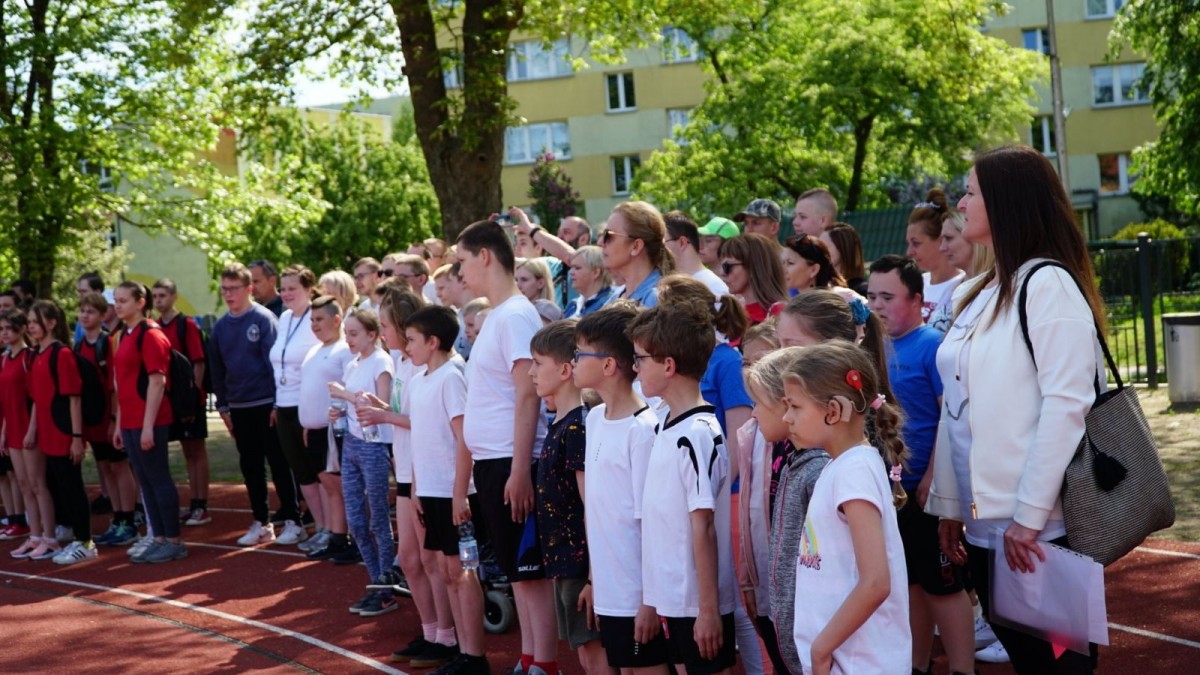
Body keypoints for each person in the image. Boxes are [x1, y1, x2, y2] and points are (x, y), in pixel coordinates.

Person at [932, 145, 1107, 674]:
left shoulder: (1046, 283)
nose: (961, 202)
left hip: (1040, 528)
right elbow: (955, 404)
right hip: (989, 526)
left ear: (1006, 204)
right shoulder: (982, 289)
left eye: (971, 192)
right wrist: (949, 503)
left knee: (1058, 665)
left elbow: (1067, 404)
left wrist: (1030, 517)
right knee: (1028, 659)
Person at [866, 255, 975, 675]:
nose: (877, 304)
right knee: (909, 585)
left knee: (944, 587)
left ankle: (964, 669)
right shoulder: (873, 347)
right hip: (890, 492)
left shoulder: (932, 346)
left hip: (923, 489)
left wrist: (934, 477)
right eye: (871, 295)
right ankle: (917, 665)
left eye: (887, 297)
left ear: (916, 300)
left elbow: (950, 420)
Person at [456, 219, 555, 675]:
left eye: (461, 262)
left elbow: (528, 393)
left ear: (484, 256)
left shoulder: (515, 314)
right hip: (493, 461)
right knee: (518, 573)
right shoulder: (498, 315)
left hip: (511, 462)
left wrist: (520, 469)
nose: (459, 274)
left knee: (530, 573)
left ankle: (544, 663)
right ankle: (530, 657)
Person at [656, 275, 764, 675]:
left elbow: (740, 437)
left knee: (735, 600)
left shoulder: (726, 361)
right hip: (700, 495)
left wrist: (715, 494)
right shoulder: (690, 363)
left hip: (726, 496)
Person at [783, 340, 911, 675]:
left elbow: (876, 582)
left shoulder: (854, 472)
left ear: (835, 411)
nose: (787, 417)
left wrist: (822, 649)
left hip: (861, 664)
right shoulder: (841, 466)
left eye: (795, 406)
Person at [628, 301, 737, 675]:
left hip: (696, 604)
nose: (635, 367)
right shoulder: (667, 424)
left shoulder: (696, 434)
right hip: (673, 601)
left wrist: (708, 611)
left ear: (668, 366)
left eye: (640, 359)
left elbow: (703, 525)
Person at [573, 303, 669, 675]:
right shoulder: (595, 418)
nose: (574, 361)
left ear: (609, 365)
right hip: (610, 590)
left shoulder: (643, 430)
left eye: (580, 353)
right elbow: (597, 511)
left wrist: (648, 600)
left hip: (638, 594)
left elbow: (652, 523)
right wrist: (595, 579)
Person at [392, 305, 476, 669]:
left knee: (460, 572)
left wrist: (459, 493)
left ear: (433, 341)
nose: (406, 347)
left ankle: (473, 654)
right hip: (428, 491)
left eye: (411, 340)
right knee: (445, 571)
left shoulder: (452, 376)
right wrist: (415, 491)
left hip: (451, 493)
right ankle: (455, 645)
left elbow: (463, 440)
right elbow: (421, 441)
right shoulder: (422, 378)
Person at [528, 320, 610, 675]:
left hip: (580, 562)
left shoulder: (578, 426)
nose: (530, 372)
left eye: (537, 363)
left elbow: (591, 503)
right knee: (583, 651)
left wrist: (593, 575)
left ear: (564, 370)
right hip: (563, 558)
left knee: (594, 653)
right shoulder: (559, 423)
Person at [744, 347, 831, 675]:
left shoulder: (818, 470)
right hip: (797, 634)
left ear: (786, 406)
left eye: (758, 403)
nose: (753, 414)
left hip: (818, 640)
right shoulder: (796, 461)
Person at [209, 263, 301, 546]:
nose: (228, 294)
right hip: (239, 406)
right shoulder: (221, 327)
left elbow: (275, 364)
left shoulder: (263, 320)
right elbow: (217, 369)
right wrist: (223, 406)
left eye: (234, 288)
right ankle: (261, 522)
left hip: (266, 403)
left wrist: (276, 403)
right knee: (250, 466)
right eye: (224, 289)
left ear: (249, 288)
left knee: (279, 463)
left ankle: (293, 520)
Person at [110, 282, 188, 563]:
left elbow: (157, 382)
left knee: (158, 477)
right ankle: (158, 537)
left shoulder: (151, 334)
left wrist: (147, 426)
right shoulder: (122, 335)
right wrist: (120, 424)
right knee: (144, 480)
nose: (117, 305)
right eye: (116, 300)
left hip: (150, 420)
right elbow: (122, 384)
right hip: (130, 420)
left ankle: (173, 540)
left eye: (123, 300)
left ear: (140, 303)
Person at [329, 307, 398, 617]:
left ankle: (387, 590)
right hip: (353, 445)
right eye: (346, 333)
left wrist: (345, 397)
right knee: (356, 520)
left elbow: (384, 404)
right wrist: (339, 412)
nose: (349, 339)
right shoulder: (354, 363)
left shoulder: (382, 362)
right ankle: (375, 584)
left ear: (373, 334)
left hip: (374, 445)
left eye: (354, 333)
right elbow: (355, 406)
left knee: (378, 520)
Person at [25, 300, 95, 564]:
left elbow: (73, 398)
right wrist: (32, 431)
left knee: (72, 486)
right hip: (46, 432)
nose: (31, 326)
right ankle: (70, 534)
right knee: (57, 486)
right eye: (30, 322)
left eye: (36, 321)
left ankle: (85, 541)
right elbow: (36, 399)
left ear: (52, 323)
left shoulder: (62, 354)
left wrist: (77, 438)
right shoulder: (37, 355)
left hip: (63, 431)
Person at [76, 292, 138, 546]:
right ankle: (118, 517)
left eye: (90, 312)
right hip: (92, 419)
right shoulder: (79, 346)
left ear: (103, 316)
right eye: (81, 311)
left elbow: (115, 385)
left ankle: (129, 519)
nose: (84, 316)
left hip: (108, 417)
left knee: (120, 466)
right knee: (105, 468)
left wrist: (114, 418)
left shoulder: (109, 342)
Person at [296, 296, 355, 561]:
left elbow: (351, 388)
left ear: (336, 319)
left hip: (335, 430)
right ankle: (336, 536)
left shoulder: (344, 350)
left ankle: (354, 537)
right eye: (311, 320)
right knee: (329, 485)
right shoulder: (314, 350)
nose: (314, 325)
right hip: (315, 430)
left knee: (341, 485)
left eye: (319, 319)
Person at [268, 265, 323, 547]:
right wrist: (277, 404)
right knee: (300, 470)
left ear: (308, 290)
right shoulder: (285, 317)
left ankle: (331, 528)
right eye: (283, 288)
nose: (286, 294)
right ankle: (317, 525)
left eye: (293, 288)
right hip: (285, 403)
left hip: (309, 405)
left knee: (320, 470)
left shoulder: (317, 316)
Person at [151, 278, 211, 526]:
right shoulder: (154, 327)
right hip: (170, 400)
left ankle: (201, 504)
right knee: (187, 452)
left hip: (189, 400)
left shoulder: (186, 325)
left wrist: (193, 396)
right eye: (155, 296)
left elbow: (198, 362)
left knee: (196, 450)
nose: (158, 301)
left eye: (162, 295)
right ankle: (193, 502)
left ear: (174, 296)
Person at [2, 310, 37, 552]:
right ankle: (34, 535)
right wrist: (4, 431)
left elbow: (36, 398)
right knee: (24, 483)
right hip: (12, 427)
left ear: (22, 328)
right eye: (1, 329)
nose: (4, 333)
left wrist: (32, 430)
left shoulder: (29, 357)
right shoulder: (5, 359)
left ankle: (45, 534)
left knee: (37, 484)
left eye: (8, 328)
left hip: (28, 428)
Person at [906, 190, 966, 332]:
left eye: (916, 243)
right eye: (908, 243)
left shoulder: (963, 285)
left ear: (941, 239)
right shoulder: (915, 283)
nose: (909, 252)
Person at [602, 201, 673, 308]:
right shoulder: (616, 298)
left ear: (636, 246)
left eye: (609, 235)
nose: (601, 242)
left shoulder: (657, 300)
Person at [718, 234, 787, 325]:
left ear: (752, 267)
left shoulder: (778, 311)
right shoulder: (737, 311)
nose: (722, 273)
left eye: (727, 266)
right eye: (721, 265)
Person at [664, 211, 729, 298]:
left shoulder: (714, 288)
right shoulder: (669, 285)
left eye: (662, 243)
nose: (657, 248)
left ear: (682, 243)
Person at [780, 235, 852, 298]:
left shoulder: (843, 300)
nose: (782, 269)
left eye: (790, 263)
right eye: (782, 262)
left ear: (814, 270)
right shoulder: (785, 302)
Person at [564, 247, 616, 319]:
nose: (571, 272)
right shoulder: (573, 305)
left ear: (596, 272)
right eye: (571, 268)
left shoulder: (610, 303)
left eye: (577, 268)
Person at [820, 223, 869, 297]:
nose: (819, 251)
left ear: (843, 249)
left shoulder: (862, 291)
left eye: (824, 246)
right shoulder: (818, 285)